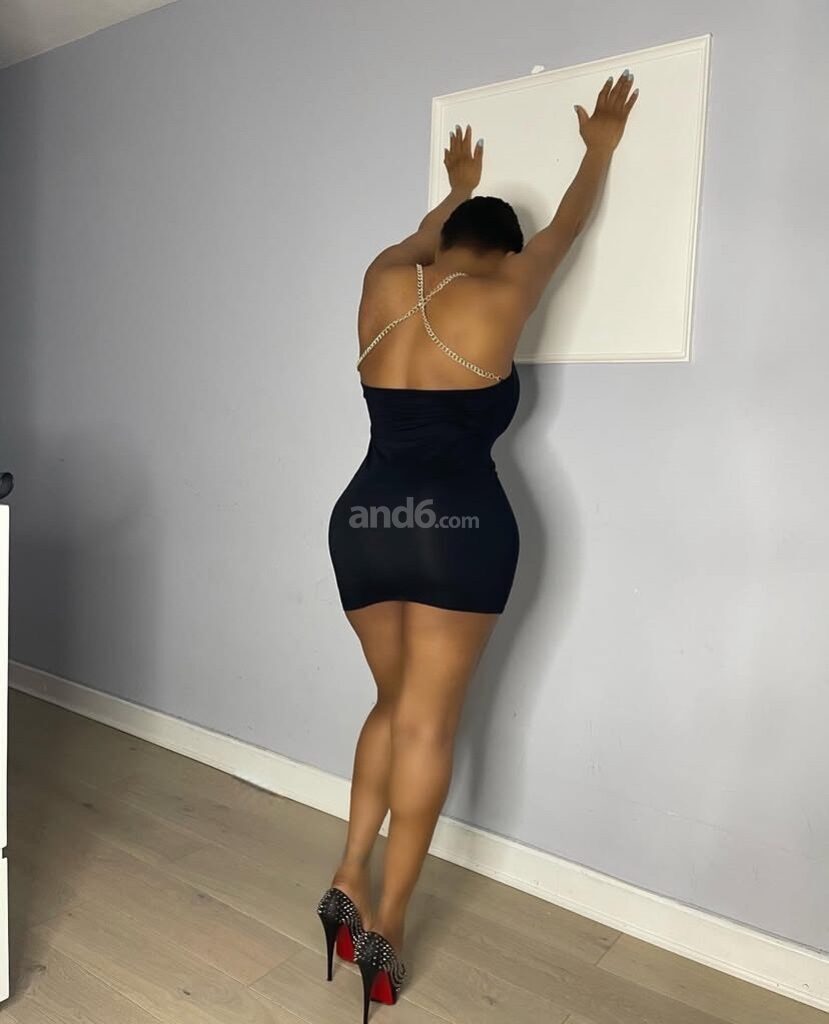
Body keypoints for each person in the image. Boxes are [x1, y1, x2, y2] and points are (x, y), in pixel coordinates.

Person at [319, 70, 639, 1022]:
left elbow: (422, 241)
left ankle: (345, 878)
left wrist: (454, 190)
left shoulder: (384, 277)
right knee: (427, 723)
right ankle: (388, 926)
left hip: (364, 518)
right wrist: (597, 151)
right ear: (499, 251)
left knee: (389, 702)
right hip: (456, 528)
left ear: (447, 238)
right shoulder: (507, 288)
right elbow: (566, 229)